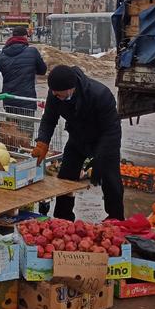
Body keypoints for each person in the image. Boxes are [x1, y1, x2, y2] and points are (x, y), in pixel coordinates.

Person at [31, 65, 124, 221]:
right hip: (77, 139)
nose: (54, 94)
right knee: (65, 178)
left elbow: (112, 131)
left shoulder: (100, 94)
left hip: (104, 140)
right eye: (52, 91)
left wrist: (100, 161)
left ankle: (116, 219)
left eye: (58, 93)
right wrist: (42, 142)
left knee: (111, 180)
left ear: (70, 88)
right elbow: (49, 119)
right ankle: (63, 218)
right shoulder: (55, 94)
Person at [0, 26, 47, 108]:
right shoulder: (32, 51)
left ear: (12, 37)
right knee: (26, 120)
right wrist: (31, 68)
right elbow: (43, 71)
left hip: (9, 100)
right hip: (27, 101)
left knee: (11, 121)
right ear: (24, 37)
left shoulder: (2, 54)